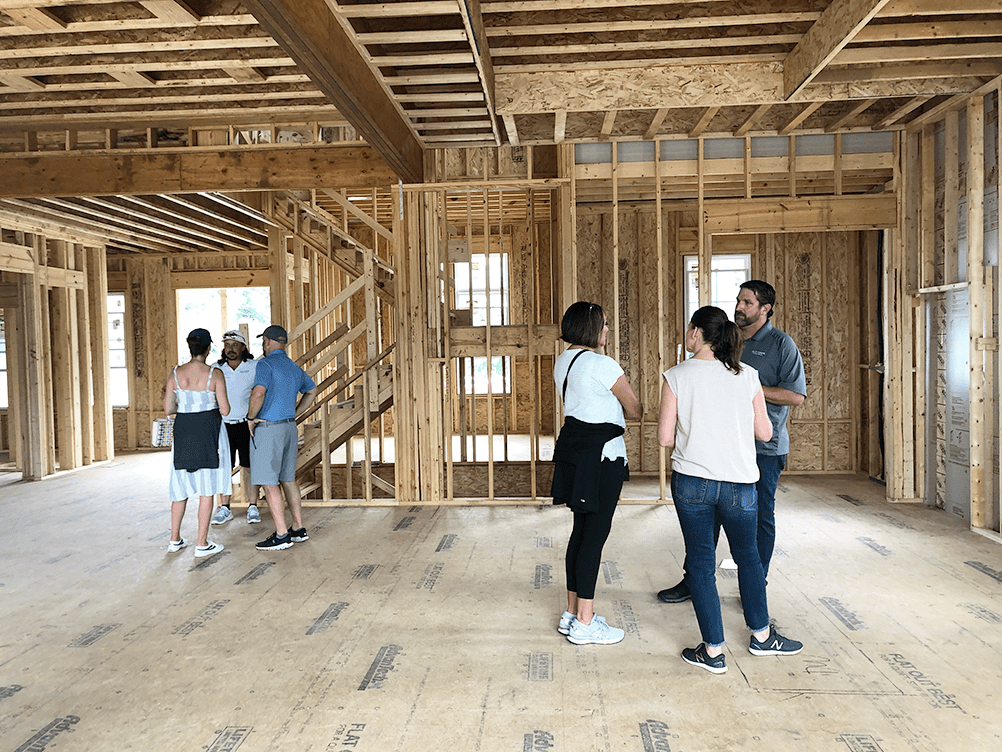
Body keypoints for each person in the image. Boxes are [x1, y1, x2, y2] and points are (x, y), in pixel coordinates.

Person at [658, 306, 802, 673]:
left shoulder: (676, 376)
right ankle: (762, 636)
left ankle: (713, 651)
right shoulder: (748, 375)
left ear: (696, 333)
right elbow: (765, 433)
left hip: (692, 483)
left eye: (689, 330)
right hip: (740, 483)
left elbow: (664, 438)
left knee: (702, 564)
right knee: (749, 557)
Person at [550, 302, 641, 646]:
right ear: (591, 329)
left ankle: (572, 612)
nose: (607, 331)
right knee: (595, 535)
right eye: (604, 325)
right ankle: (586, 622)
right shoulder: (603, 364)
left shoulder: (564, 362)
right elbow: (634, 408)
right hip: (602, 457)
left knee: (580, 531)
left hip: (575, 453)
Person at [246, 324, 318, 551]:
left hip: (268, 429)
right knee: (288, 479)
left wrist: (250, 417)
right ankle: (298, 528)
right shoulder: (292, 366)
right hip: (289, 427)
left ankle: (281, 534)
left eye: (263, 342)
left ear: (267, 341)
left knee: (268, 483)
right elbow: (312, 391)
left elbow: (258, 393)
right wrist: (296, 413)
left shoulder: (265, 364)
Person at [164, 328, 231, 559]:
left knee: (179, 488)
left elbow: (168, 409)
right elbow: (225, 409)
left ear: (189, 347)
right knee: (206, 490)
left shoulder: (175, 373)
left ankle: (174, 539)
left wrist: (185, 406)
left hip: (183, 431)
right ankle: (201, 543)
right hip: (208, 431)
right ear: (208, 348)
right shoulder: (215, 374)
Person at [211, 330, 261, 526]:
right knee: (224, 467)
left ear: (243, 347)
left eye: (234, 345)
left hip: (246, 424)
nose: (230, 349)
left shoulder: (254, 366)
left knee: (249, 467)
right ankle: (225, 507)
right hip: (223, 426)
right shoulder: (216, 368)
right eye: (227, 345)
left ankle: (252, 506)